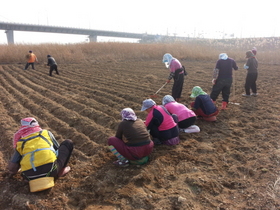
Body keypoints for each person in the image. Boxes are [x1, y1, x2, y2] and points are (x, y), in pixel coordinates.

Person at [7, 117, 73, 192]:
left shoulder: (20, 142)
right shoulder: (46, 133)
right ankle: (60, 171)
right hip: (51, 170)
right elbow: (57, 149)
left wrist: (12, 173)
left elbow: (13, 166)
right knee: (68, 143)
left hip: (29, 176)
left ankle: (29, 178)